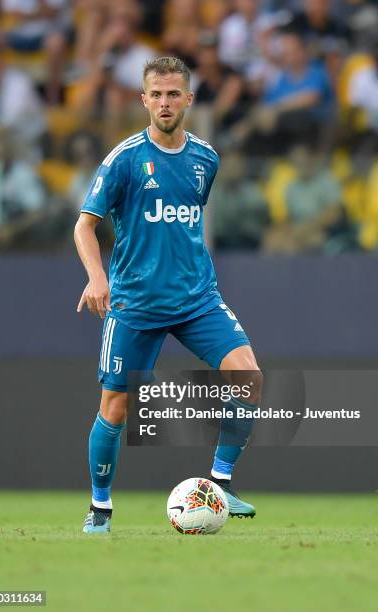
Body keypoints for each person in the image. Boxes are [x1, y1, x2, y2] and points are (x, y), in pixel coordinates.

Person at [74, 57, 263, 535]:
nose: (164, 102)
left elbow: (185, 222)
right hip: (135, 303)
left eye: (173, 94)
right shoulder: (124, 160)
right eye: (156, 94)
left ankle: (220, 484)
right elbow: (85, 225)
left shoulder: (205, 158)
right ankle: (100, 509)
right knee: (114, 408)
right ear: (143, 100)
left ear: (189, 100)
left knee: (249, 377)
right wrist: (98, 277)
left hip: (197, 297)